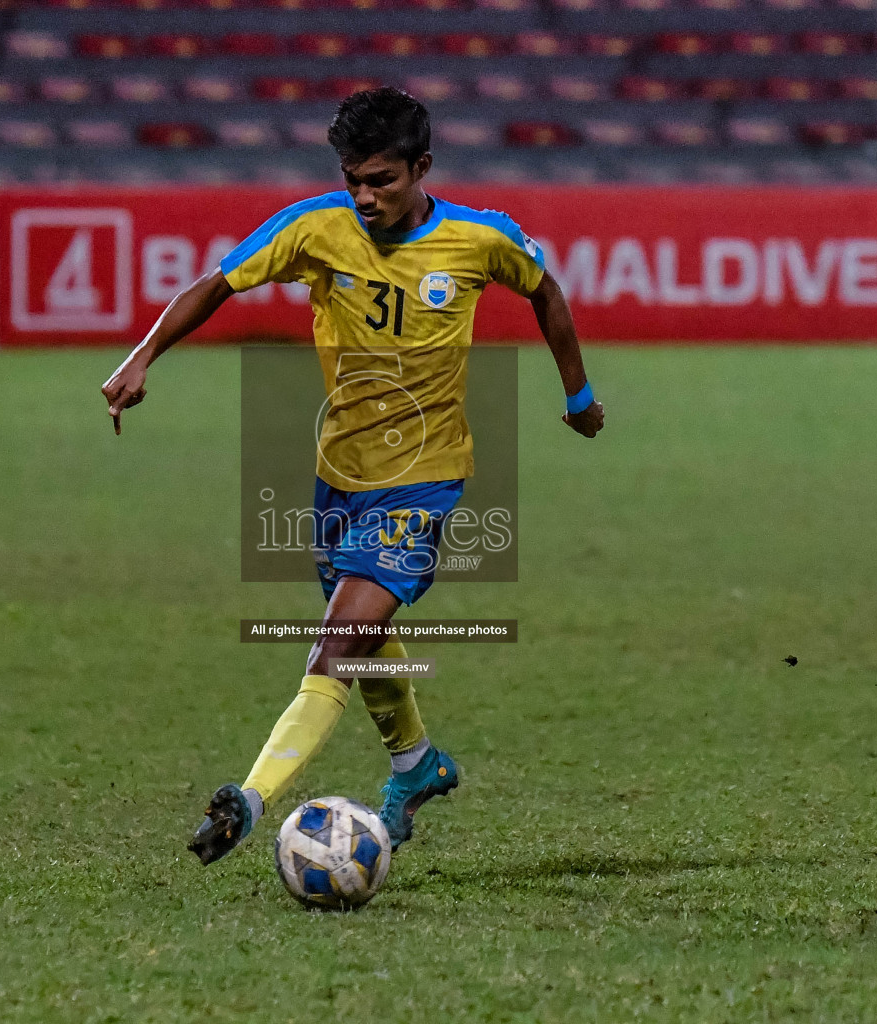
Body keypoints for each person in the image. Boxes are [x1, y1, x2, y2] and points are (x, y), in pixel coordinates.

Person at [101, 87, 605, 865]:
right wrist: (141, 356)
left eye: (382, 179)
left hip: (424, 480)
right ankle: (415, 767)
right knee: (365, 639)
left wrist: (578, 396)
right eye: (353, 180)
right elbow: (217, 283)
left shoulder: (479, 238)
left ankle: (251, 797)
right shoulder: (315, 227)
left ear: (422, 167)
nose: (365, 196)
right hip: (338, 474)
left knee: (335, 646)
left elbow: (545, 290)